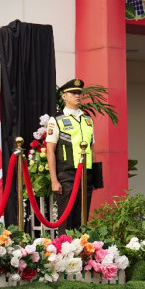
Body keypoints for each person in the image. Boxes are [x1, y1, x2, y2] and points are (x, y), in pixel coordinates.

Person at [46, 78, 94, 233]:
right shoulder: (57, 120)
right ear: (64, 96)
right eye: (73, 93)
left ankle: (82, 251)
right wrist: (54, 179)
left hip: (86, 175)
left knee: (83, 219)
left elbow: (92, 147)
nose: (77, 96)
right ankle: (64, 252)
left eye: (79, 93)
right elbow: (50, 150)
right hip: (67, 174)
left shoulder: (88, 120)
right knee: (66, 219)